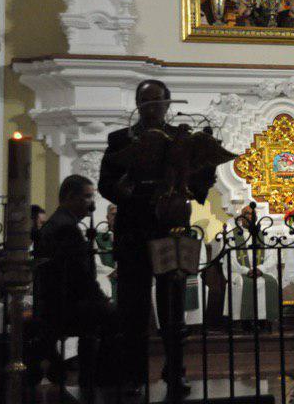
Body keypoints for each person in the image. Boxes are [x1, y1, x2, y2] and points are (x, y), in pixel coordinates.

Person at [99, 79, 235, 397]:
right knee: (133, 308)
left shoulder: (180, 137)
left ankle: (175, 373)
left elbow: (203, 180)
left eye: (156, 100)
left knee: (173, 307)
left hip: (171, 227)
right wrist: (129, 189)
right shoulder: (119, 139)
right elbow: (106, 182)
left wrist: (194, 181)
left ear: (168, 103)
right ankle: (133, 374)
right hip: (133, 228)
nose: (150, 107)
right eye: (143, 101)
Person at [31, 175, 117, 397]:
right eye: (87, 197)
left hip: (56, 300)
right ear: (70, 197)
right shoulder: (65, 227)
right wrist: (102, 301)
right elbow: (81, 276)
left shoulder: (58, 223)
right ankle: (99, 382)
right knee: (116, 320)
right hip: (67, 304)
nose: (92, 203)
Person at [223, 204, 280, 328]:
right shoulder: (232, 235)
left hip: (261, 272)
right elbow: (230, 258)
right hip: (239, 272)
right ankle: (245, 321)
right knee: (242, 283)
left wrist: (261, 269)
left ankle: (263, 320)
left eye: (252, 214)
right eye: (247, 214)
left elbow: (272, 256)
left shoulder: (265, 235)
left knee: (269, 282)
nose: (250, 217)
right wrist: (245, 270)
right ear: (241, 218)